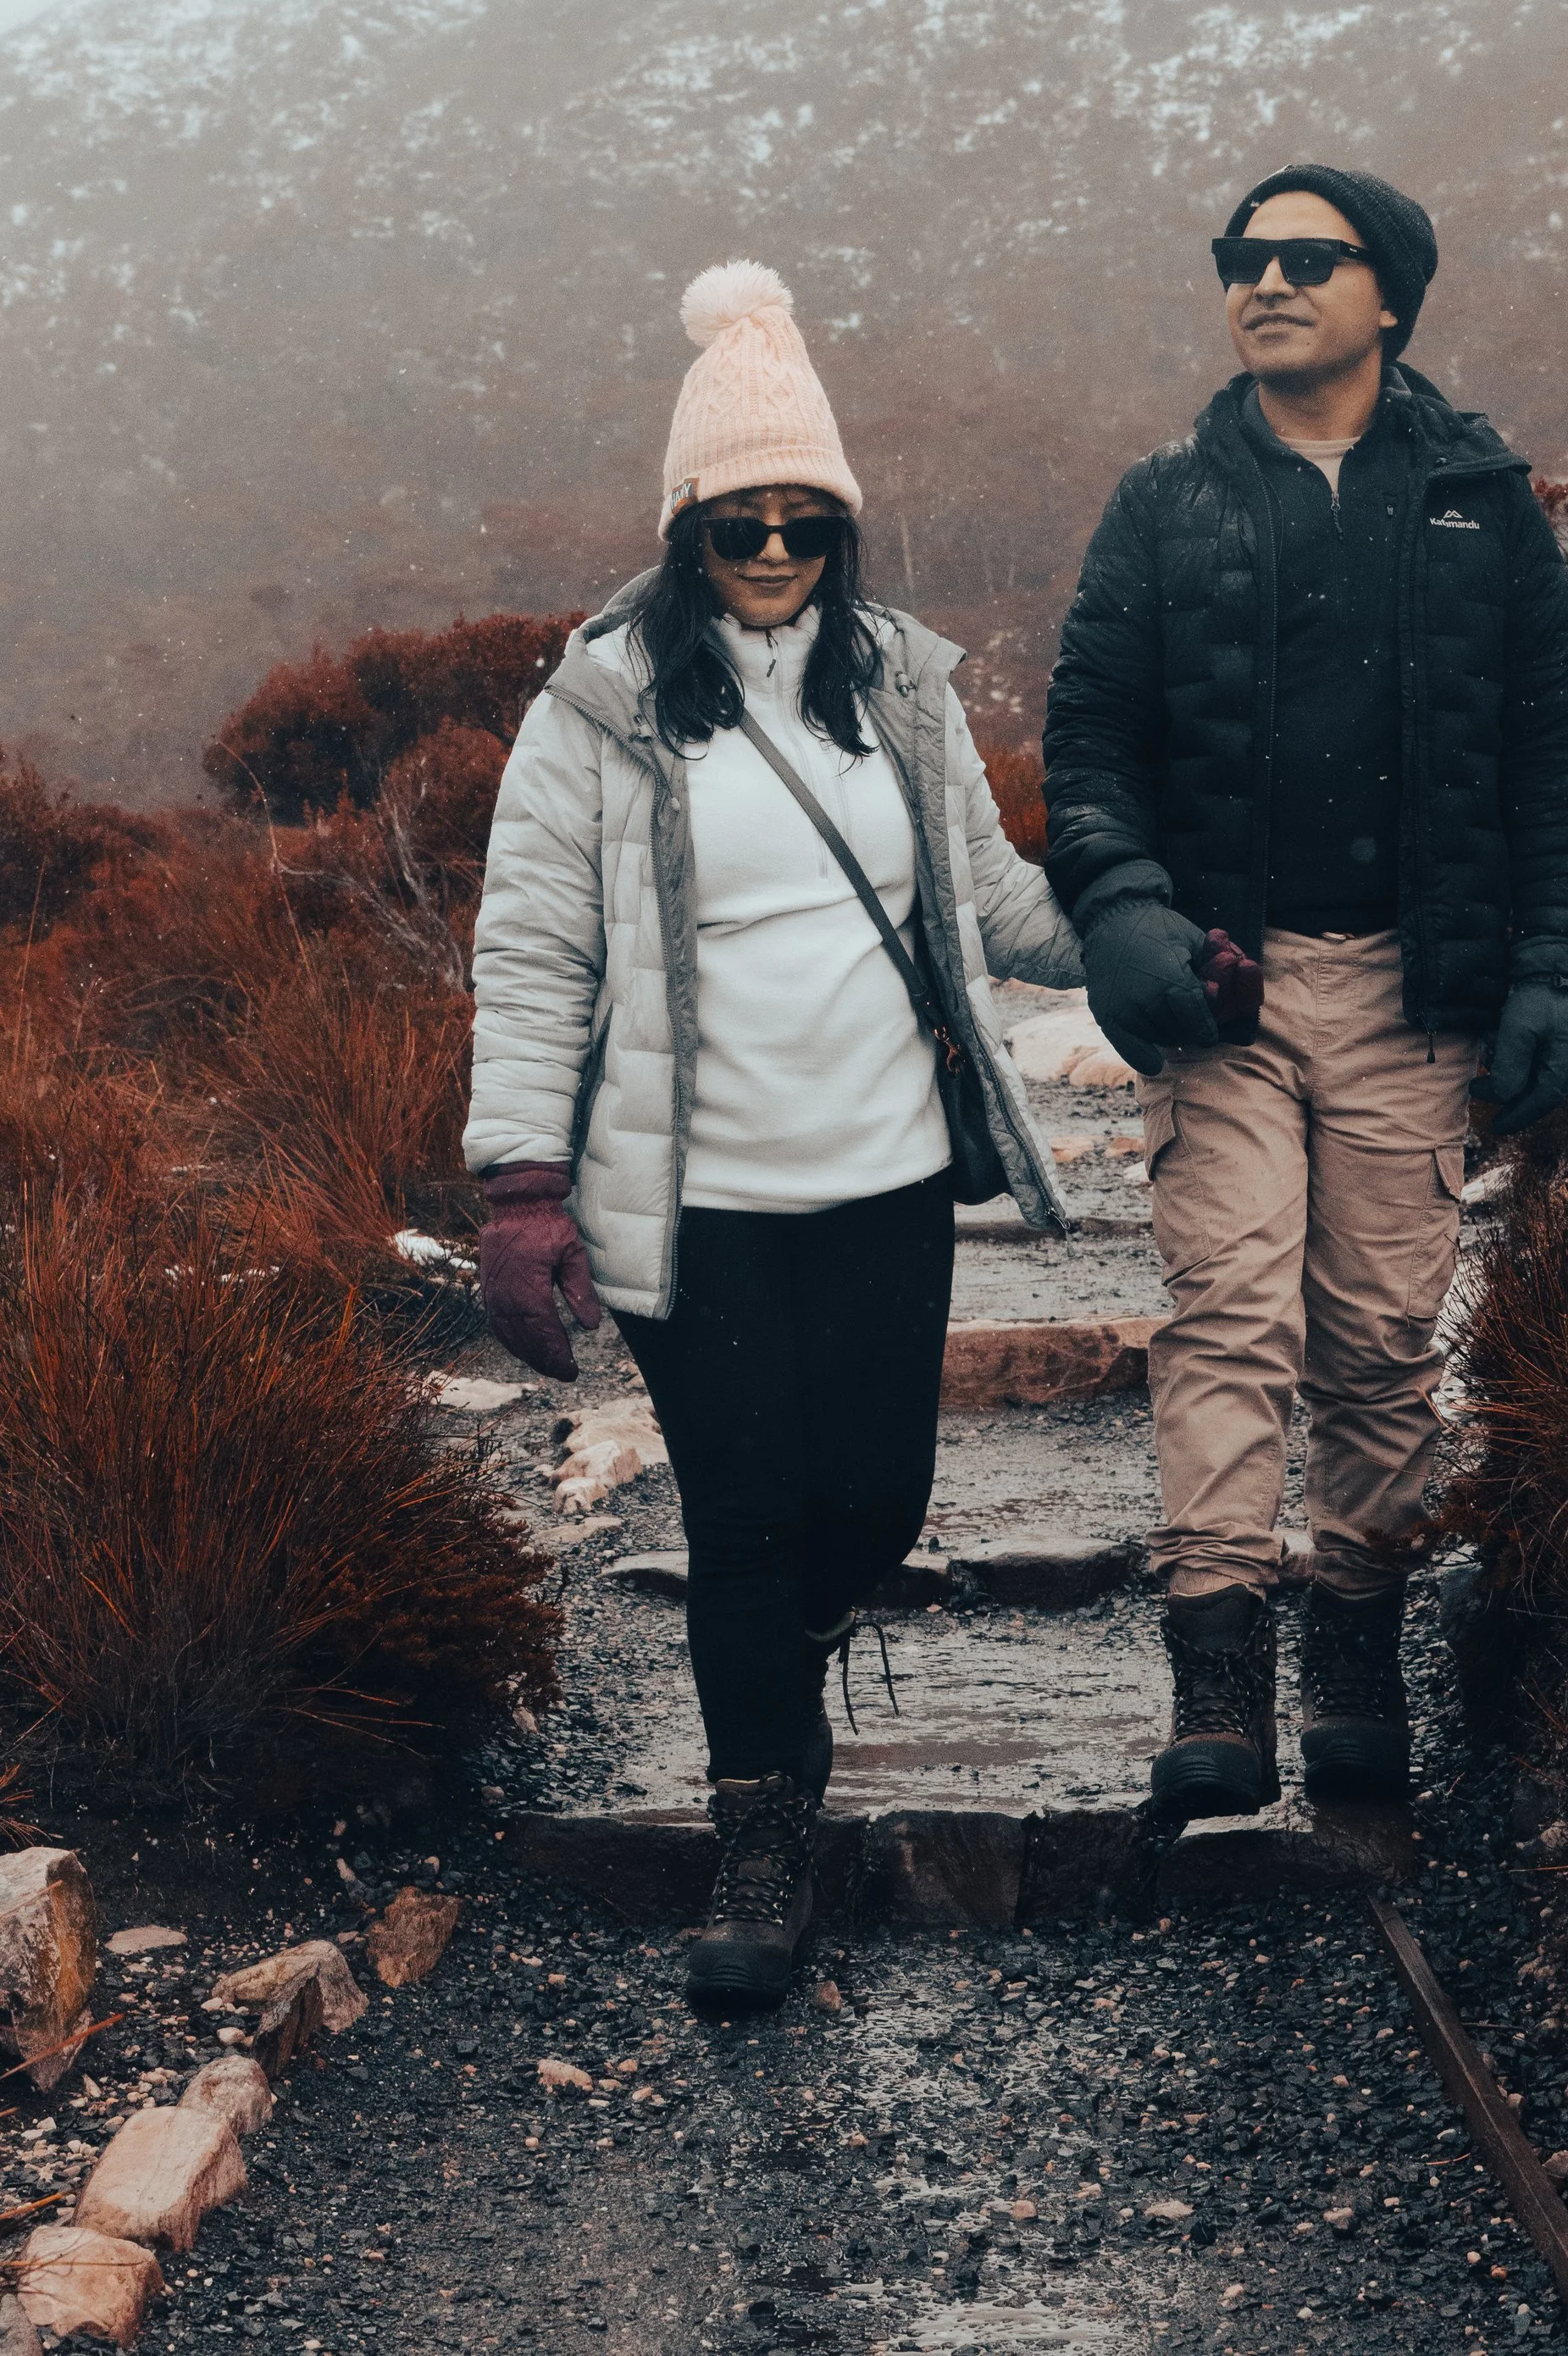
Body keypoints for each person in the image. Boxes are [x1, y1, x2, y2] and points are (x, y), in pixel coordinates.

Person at [465, 260, 1081, 2004]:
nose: (772, 542)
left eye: (803, 513)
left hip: (884, 1176)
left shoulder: (896, 687)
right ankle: (761, 1833)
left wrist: (1149, 948)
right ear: (685, 527)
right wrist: (521, 1184)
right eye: (736, 515)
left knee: (873, 1505)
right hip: (693, 1198)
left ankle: (792, 1664)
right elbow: (532, 948)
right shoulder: (594, 710)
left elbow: (987, 905)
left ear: (841, 522)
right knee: (742, 1514)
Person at [1042, 164, 1568, 1816]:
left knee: (1373, 1343)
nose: (1265, 280)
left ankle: (1352, 1652)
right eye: (1242, 257)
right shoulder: (1161, 502)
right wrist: (1123, 903)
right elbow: (1089, 738)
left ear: (1388, 296)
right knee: (1223, 1316)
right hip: (1222, 992)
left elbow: (1551, 748)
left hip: (1413, 994)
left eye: (1307, 257)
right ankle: (1216, 1684)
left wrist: (1551, 963)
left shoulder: (1477, 499)